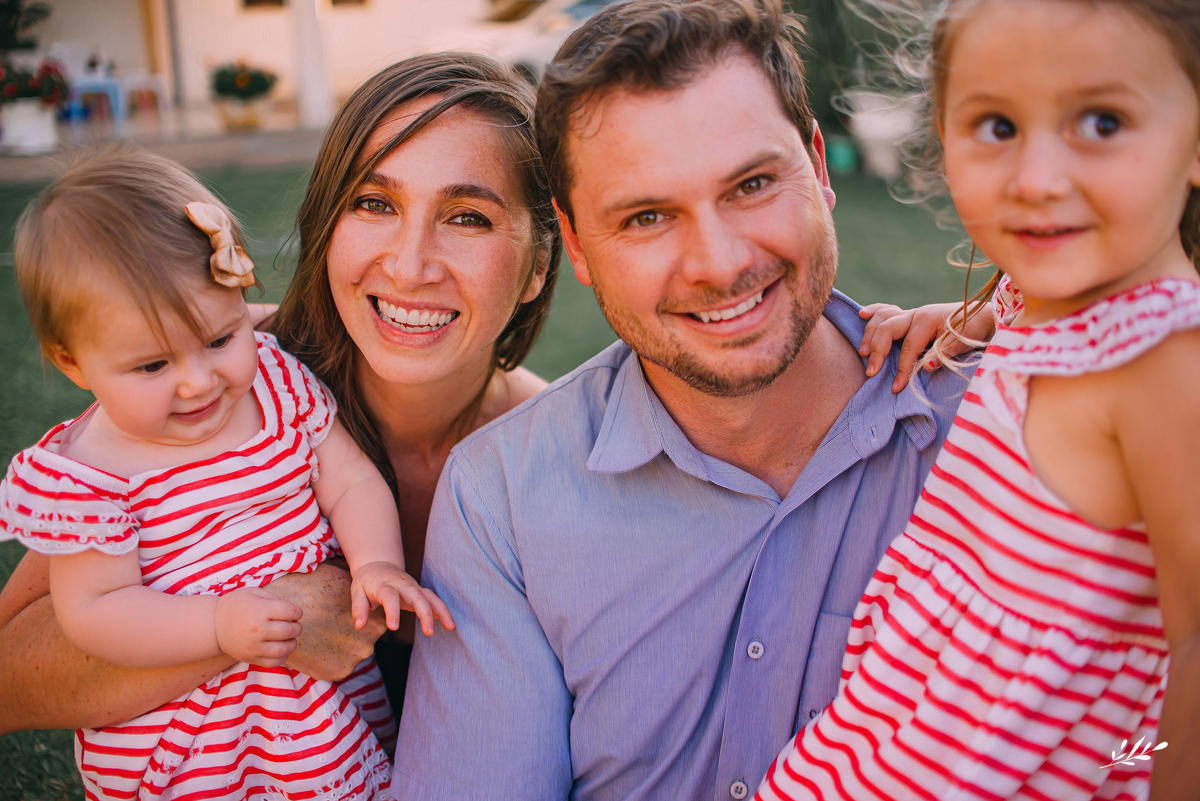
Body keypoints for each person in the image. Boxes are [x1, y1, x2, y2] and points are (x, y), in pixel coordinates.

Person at [391, 2, 974, 799]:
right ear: (576, 241)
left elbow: (1142, 745)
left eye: (753, 184)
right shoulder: (504, 499)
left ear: (819, 168)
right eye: (647, 216)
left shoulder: (1008, 420)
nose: (717, 262)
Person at [0, 53, 558, 745]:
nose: (411, 265)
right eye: (374, 203)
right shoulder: (212, 387)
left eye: (469, 216)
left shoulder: (560, 452)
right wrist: (266, 621)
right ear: (327, 223)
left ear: (538, 264)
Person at [756, 0, 1200, 798]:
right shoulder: (1057, 298)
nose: (1036, 180)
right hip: (887, 746)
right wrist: (965, 319)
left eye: (1101, 123)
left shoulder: (1165, 365)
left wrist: (1134, 770)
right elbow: (1026, 309)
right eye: (997, 127)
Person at [0, 145, 454, 799]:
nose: (198, 382)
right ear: (74, 365)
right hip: (189, 740)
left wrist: (377, 561)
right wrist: (215, 626)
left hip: (319, 710)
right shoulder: (90, 473)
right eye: (152, 365)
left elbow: (349, 479)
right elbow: (95, 611)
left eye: (219, 338)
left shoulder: (274, 384)